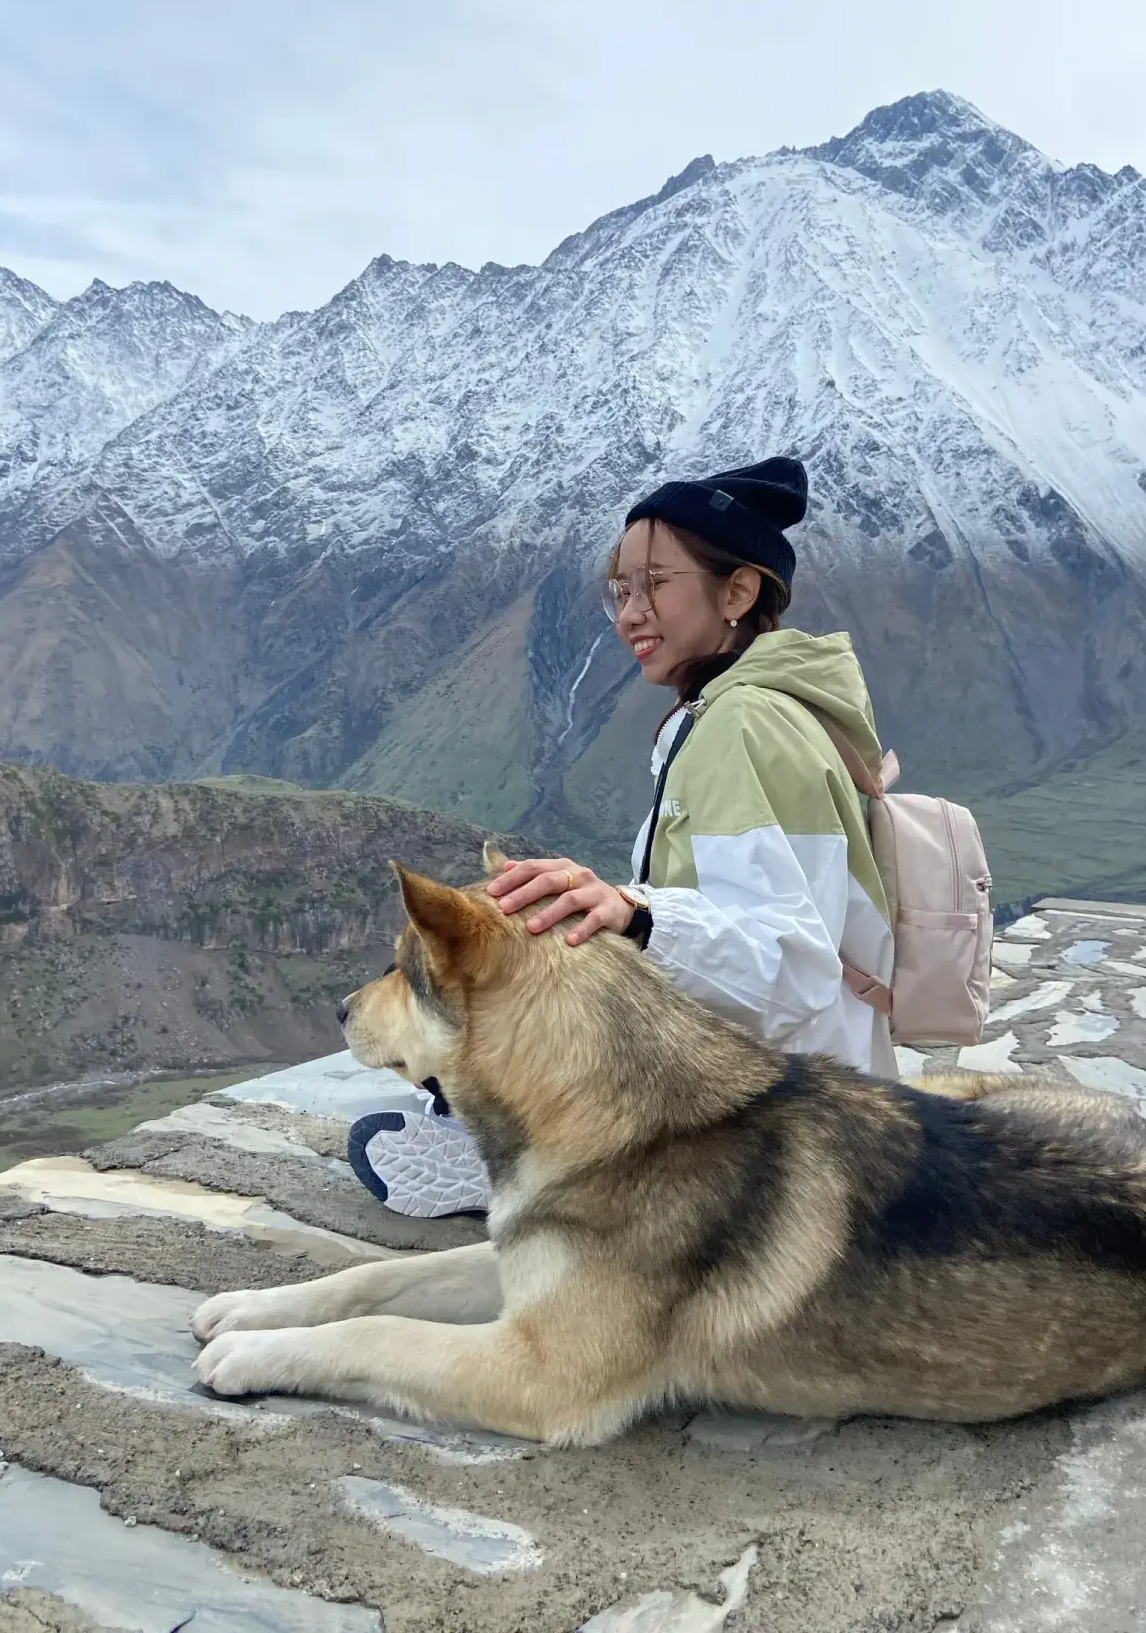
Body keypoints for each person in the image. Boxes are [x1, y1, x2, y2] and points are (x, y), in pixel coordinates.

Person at [346, 456, 899, 1217]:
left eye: (656, 585)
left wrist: (638, 918)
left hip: (773, 1144)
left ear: (738, 591)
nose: (630, 614)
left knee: (473, 999)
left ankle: (516, 1161)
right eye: (621, 590)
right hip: (787, 1103)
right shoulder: (750, 710)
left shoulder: (744, 725)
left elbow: (796, 969)